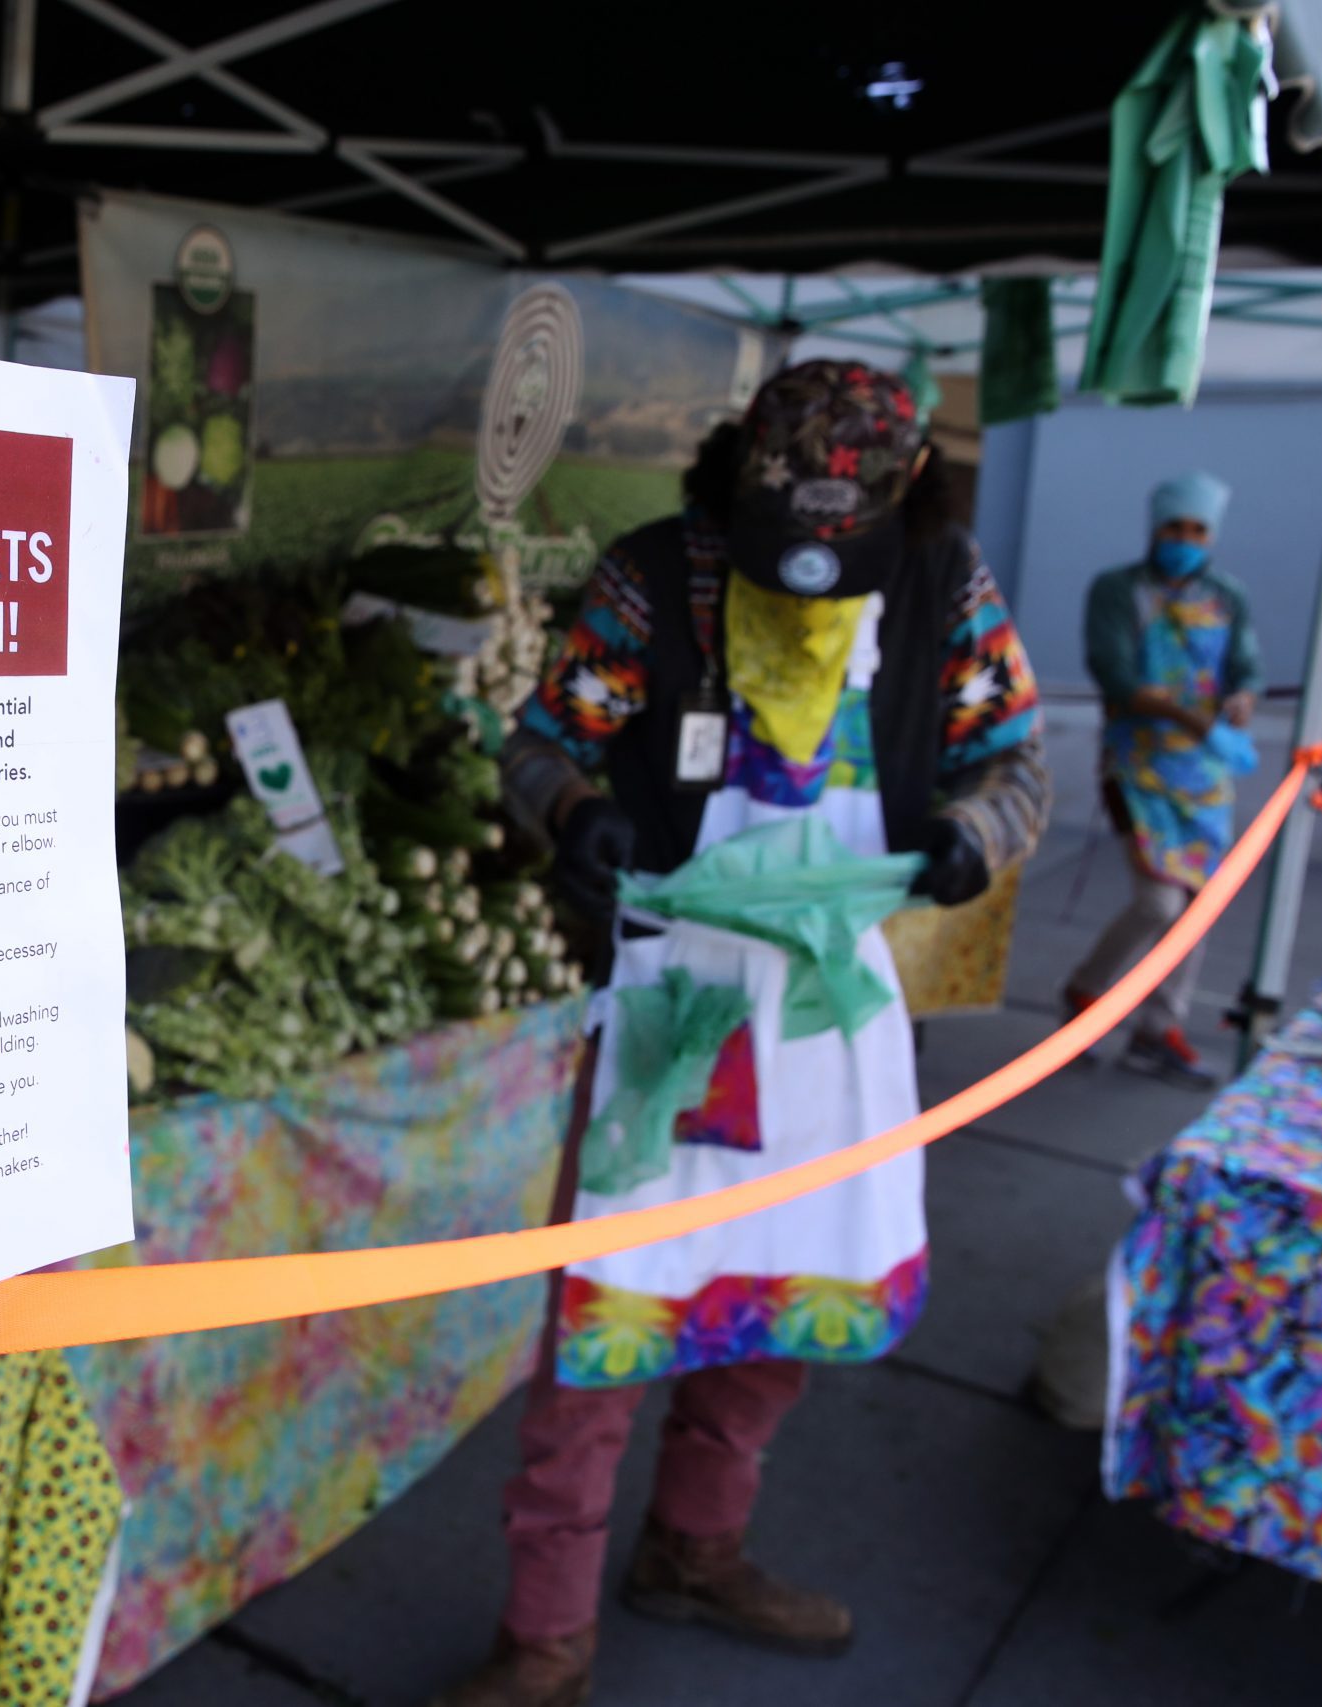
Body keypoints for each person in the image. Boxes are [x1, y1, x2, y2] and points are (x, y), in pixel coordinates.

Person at [436, 362, 1048, 1707]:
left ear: (904, 500)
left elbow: (1018, 759)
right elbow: (544, 742)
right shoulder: (657, 579)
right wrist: (572, 812)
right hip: (677, 1011)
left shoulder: (945, 586)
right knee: (601, 1334)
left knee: (777, 1309)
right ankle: (546, 1638)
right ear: (736, 473)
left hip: (832, 1026)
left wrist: (969, 839)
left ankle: (694, 1550)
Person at [1061, 472, 1259, 1088]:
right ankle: (1088, 992)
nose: (1184, 540)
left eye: (1196, 531)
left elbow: (1245, 665)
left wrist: (1241, 699)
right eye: (1175, 528)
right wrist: (1180, 714)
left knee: (1195, 908)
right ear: (1155, 529)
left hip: (1202, 772)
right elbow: (1114, 672)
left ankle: (1158, 1026)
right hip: (1136, 764)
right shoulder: (1119, 591)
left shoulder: (1226, 595)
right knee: (1159, 899)